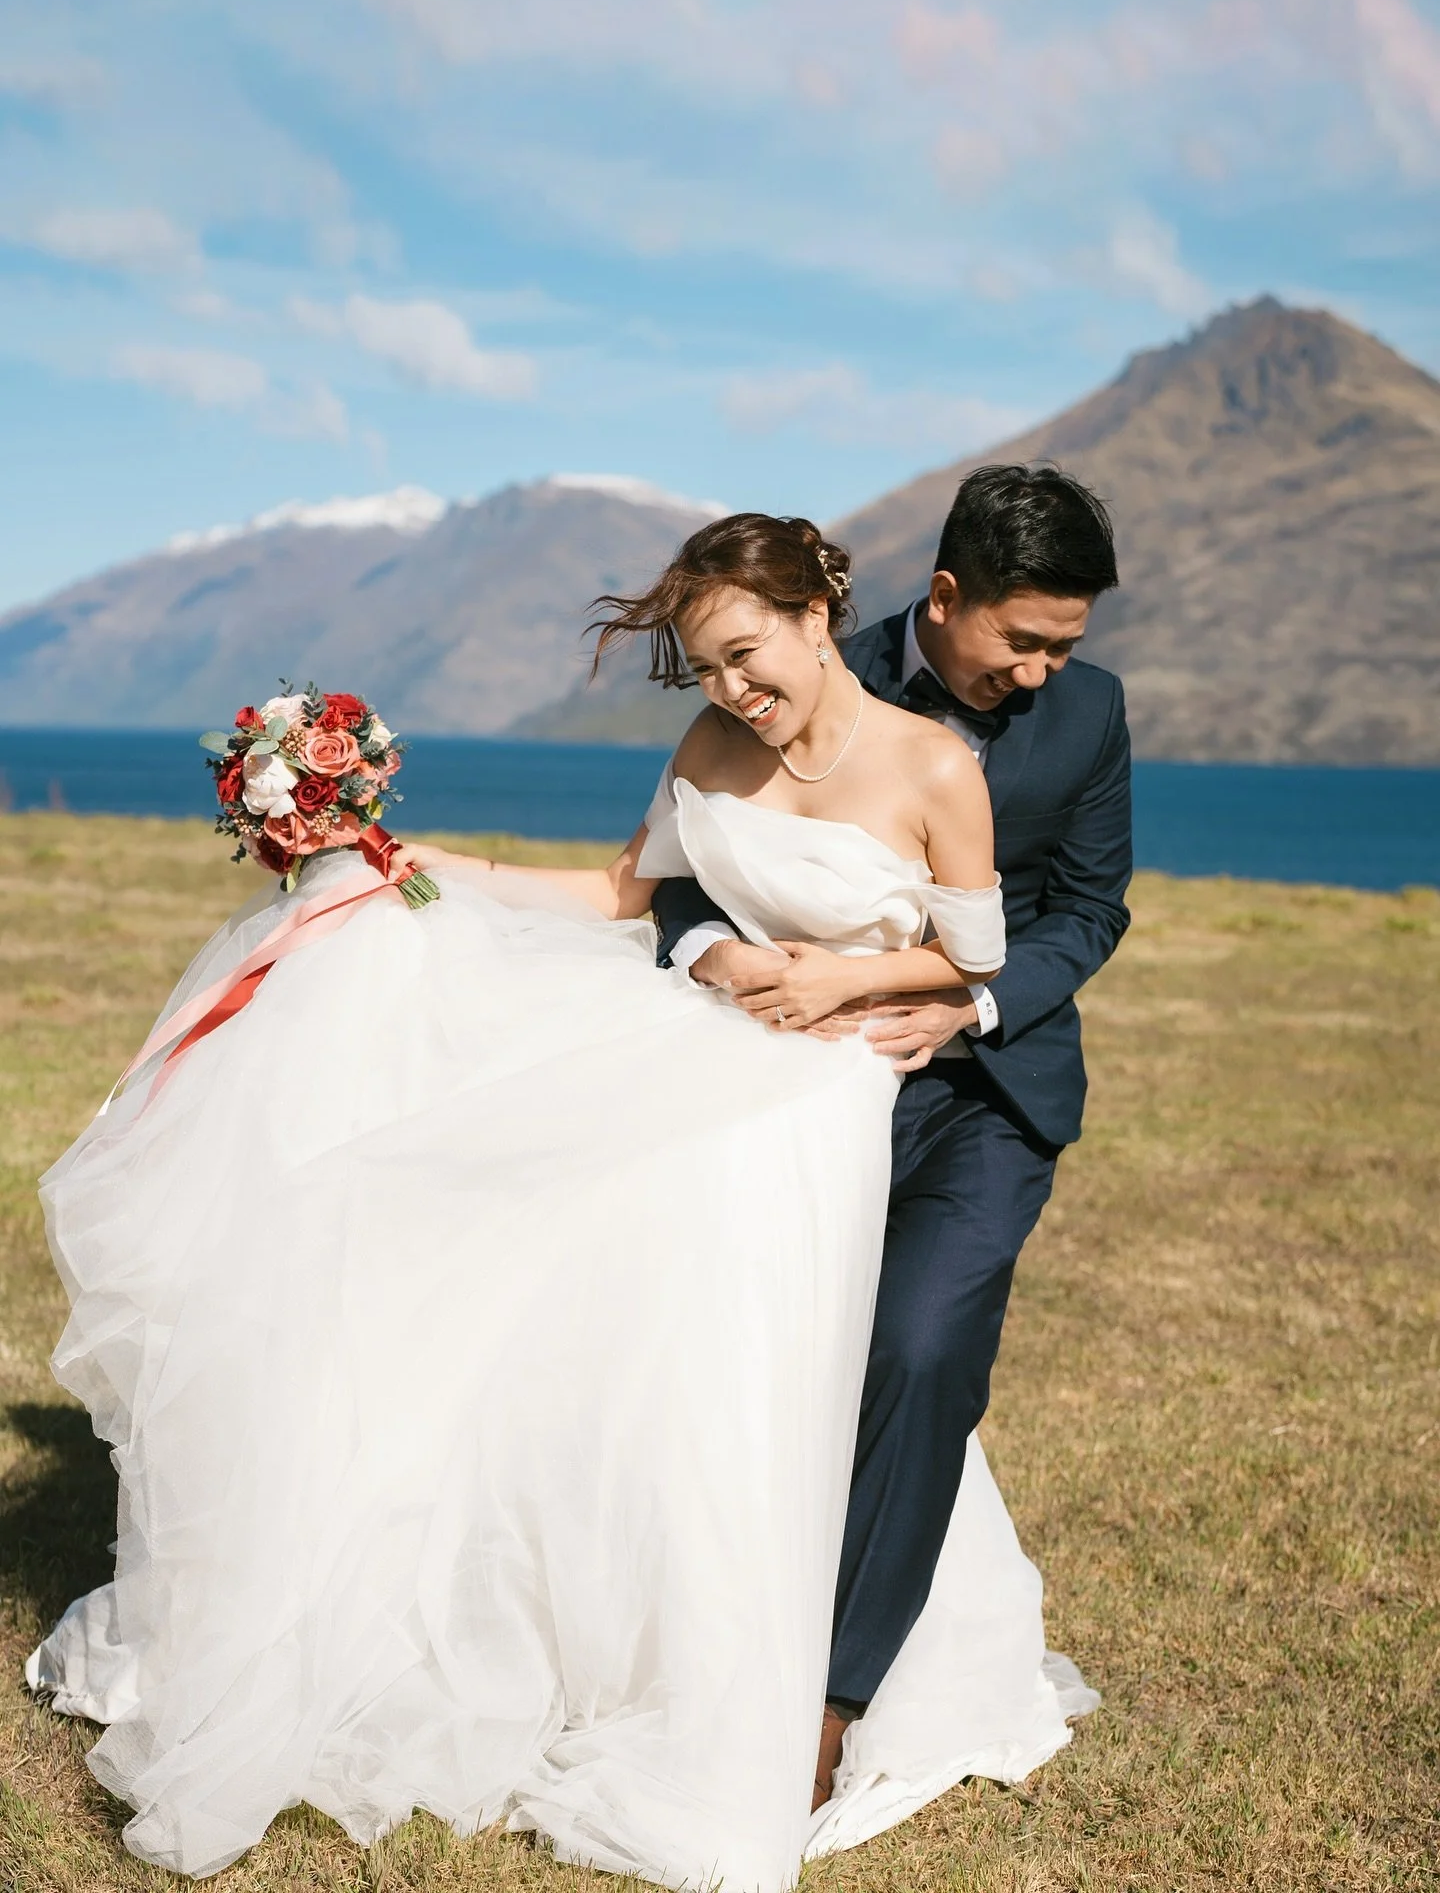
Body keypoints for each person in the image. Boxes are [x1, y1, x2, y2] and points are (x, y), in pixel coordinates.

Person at [27, 513, 1093, 1892]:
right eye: (706, 670)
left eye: (749, 658)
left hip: (825, 1093)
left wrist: (844, 984)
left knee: (746, 1354)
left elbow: (975, 957)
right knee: (552, 1268)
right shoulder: (711, 749)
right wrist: (404, 869)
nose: (733, 694)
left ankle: (760, 1671)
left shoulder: (935, 764)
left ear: (821, 616)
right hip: (709, 1045)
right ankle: (586, 1636)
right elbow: (617, 892)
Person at [654, 466, 1131, 1804]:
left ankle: (830, 1701)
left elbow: (1089, 913)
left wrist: (968, 1005)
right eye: (1019, 641)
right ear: (943, 597)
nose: (1039, 673)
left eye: (1064, 646)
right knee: (749, 1357)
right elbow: (681, 873)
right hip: (789, 1088)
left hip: (989, 1093)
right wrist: (709, 957)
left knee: (921, 1352)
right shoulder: (795, 669)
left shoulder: (1089, 715)